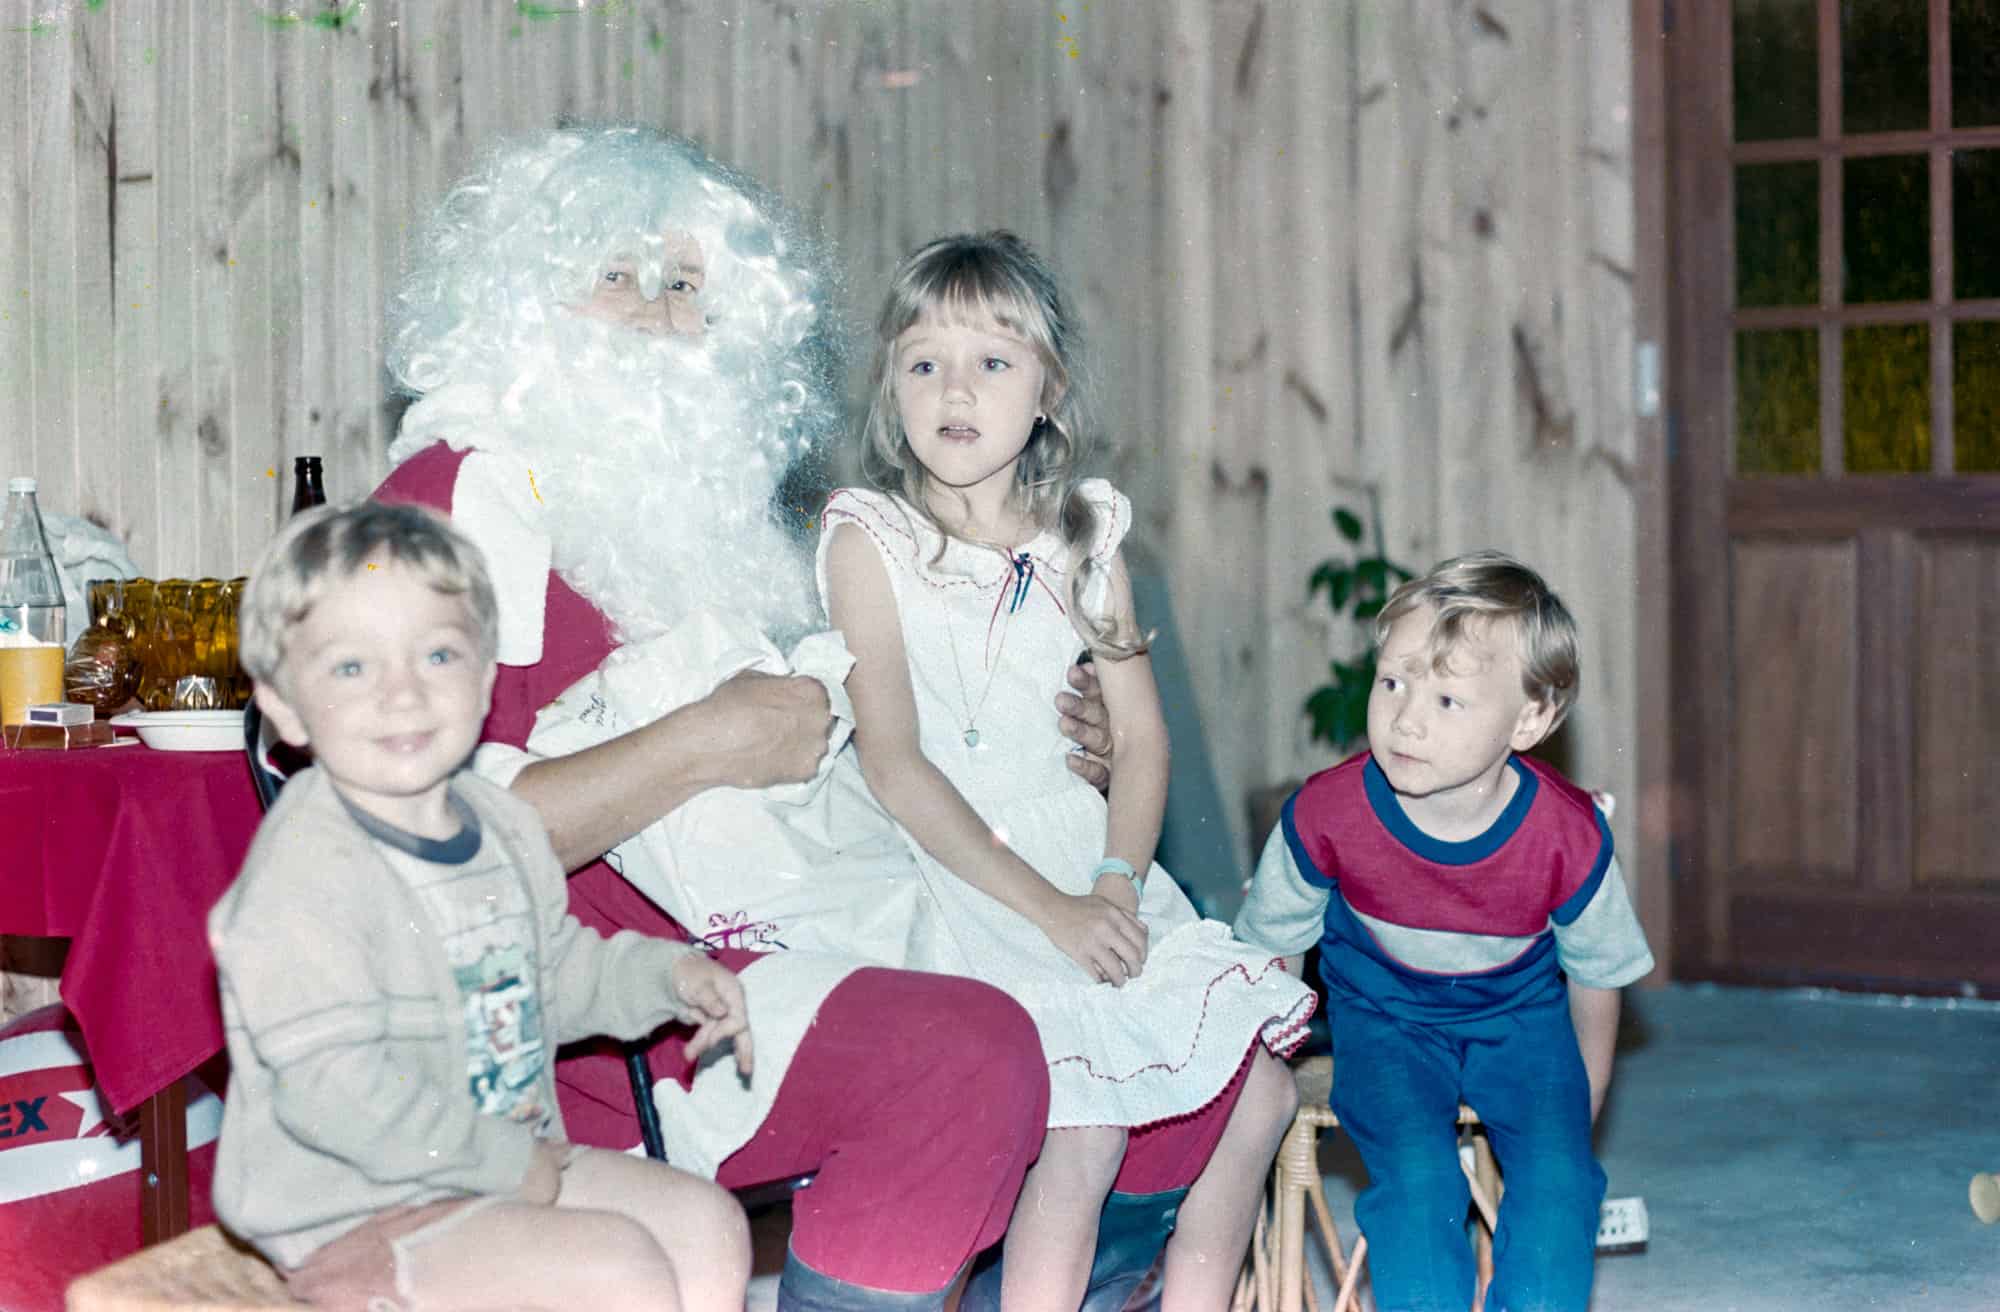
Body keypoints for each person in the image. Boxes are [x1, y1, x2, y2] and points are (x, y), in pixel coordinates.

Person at [369, 125, 1115, 1309]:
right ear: (515, 297)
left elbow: (854, 754)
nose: (657, 315)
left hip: (772, 932)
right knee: (968, 1059)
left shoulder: (698, 517)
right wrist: (704, 743)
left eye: (685, 286)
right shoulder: (457, 495)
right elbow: (429, 838)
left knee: (1141, 1059)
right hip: (592, 1024)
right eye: (615, 275)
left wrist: (1050, 738)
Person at [817, 231, 1317, 1311]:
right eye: (924, 363)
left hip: (1081, 859)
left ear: (1047, 391)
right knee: (1081, 1122)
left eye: (992, 362)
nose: (955, 390)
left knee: (1261, 1096)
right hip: (956, 874)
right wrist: (1051, 910)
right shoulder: (869, 540)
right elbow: (894, 765)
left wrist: (1114, 883)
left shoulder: (1083, 540)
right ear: (890, 389)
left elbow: (1141, 741)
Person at [211, 501, 755, 1311]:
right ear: (285, 706)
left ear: (486, 675)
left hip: (497, 1165)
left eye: (437, 654)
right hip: (356, 1208)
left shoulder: (499, 825)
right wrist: (500, 1162)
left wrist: (668, 977)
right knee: (619, 1271)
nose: (403, 693)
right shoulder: (305, 873)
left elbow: (553, 973)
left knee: (705, 1227)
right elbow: (333, 1090)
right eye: (352, 668)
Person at [1233, 551, 1655, 1312]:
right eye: (1392, 682)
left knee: (1561, 1183)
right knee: (1417, 1181)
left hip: (1522, 1023)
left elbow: (1598, 979)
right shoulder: (1325, 815)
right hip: (1386, 1022)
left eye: (1448, 699)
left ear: (1529, 720)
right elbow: (1272, 948)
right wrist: (1265, 1065)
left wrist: (1578, 1109)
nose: (1406, 718)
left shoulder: (1569, 835)